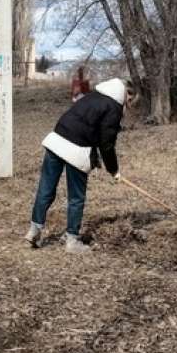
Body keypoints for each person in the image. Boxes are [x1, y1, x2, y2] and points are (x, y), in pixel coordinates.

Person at [25, 78, 134, 254]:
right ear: (126, 93)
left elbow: (89, 128)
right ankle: (72, 240)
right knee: (76, 197)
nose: (128, 106)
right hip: (76, 150)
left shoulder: (94, 96)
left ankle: (33, 231)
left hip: (56, 140)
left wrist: (95, 157)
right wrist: (113, 169)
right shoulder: (113, 107)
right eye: (129, 101)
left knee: (46, 189)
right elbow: (107, 143)